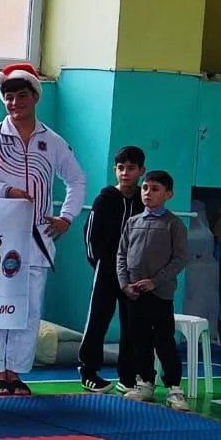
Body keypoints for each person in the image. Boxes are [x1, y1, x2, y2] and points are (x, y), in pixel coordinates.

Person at [0, 62, 86, 396]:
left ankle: (15, 371)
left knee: (29, 308)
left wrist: (67, 217)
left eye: (21, 96)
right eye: (9, 97)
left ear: (35, 97)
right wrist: (5, 191)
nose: (14, 103)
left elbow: (76, 180)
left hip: (37, 238)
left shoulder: (53, 142)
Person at [118, 170, 189, 410]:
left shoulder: (174, 225)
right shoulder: (133, 222)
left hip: (160, 294)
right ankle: (145, 383)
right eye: (145, 188)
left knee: (164, 341)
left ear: (168, 194)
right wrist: (124, 283)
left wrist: (155, 281)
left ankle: (174, 388)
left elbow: (179, 259)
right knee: (139, 340)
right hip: (134, 294)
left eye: (155, 189)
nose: (148, 193)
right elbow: (121, 255)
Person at [79, 145, 146, 393]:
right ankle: (88, 371)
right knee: (98, 319)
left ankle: (128, 375)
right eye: (121, 168)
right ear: (115, 170)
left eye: (131, 168)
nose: (125, 173)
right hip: (107, 271)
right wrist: (99, 263)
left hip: (134, 274)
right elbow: (90, 235)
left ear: (141, 171)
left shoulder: (143, 201)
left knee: (132, 324)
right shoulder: (105, 200)